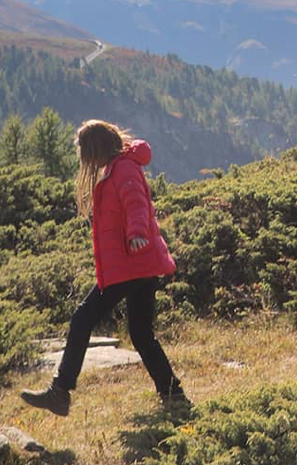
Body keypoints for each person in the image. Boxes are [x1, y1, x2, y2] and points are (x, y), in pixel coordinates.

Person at [20, 121, 186, 416]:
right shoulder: (118, 168)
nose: (83, 158)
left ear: (95, 148)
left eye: (84, 151)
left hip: (130, 263)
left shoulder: (123, 169)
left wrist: (137, 233)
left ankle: (61, 391)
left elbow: (136, 203)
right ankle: (173, 395)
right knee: (141, 334)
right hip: (138, 264)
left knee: (82, 318)